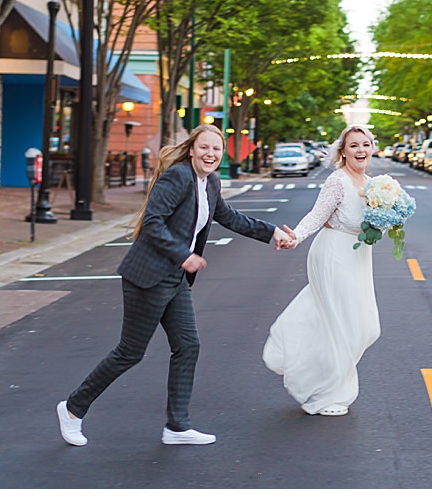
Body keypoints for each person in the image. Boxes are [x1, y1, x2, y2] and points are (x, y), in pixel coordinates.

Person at [56, 124, 294, 447]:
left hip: (176, 279)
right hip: (148, 276)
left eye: (216, 149)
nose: (210, 154)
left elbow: (230, 216)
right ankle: (72, 409)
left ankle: (177, 426)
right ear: (192, 149)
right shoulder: (178, 177)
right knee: (129, 352)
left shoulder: (210, 182)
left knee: (188, 345)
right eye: (205, 148)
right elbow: (153, 221)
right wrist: (184, 255)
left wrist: (271, 234)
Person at [262, 124, 380, 417]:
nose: (360, 150)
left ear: (372, 148)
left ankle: (307, 367)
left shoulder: (374, 183)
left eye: (364, 144)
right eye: (353, 145)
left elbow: (377, 220)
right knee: (343, 324)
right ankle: (327, 394)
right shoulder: (337, 182)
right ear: (343, 151)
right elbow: (317, 215)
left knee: (365, 326)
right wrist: (295, 237)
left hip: (359, 255)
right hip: (333, 254)